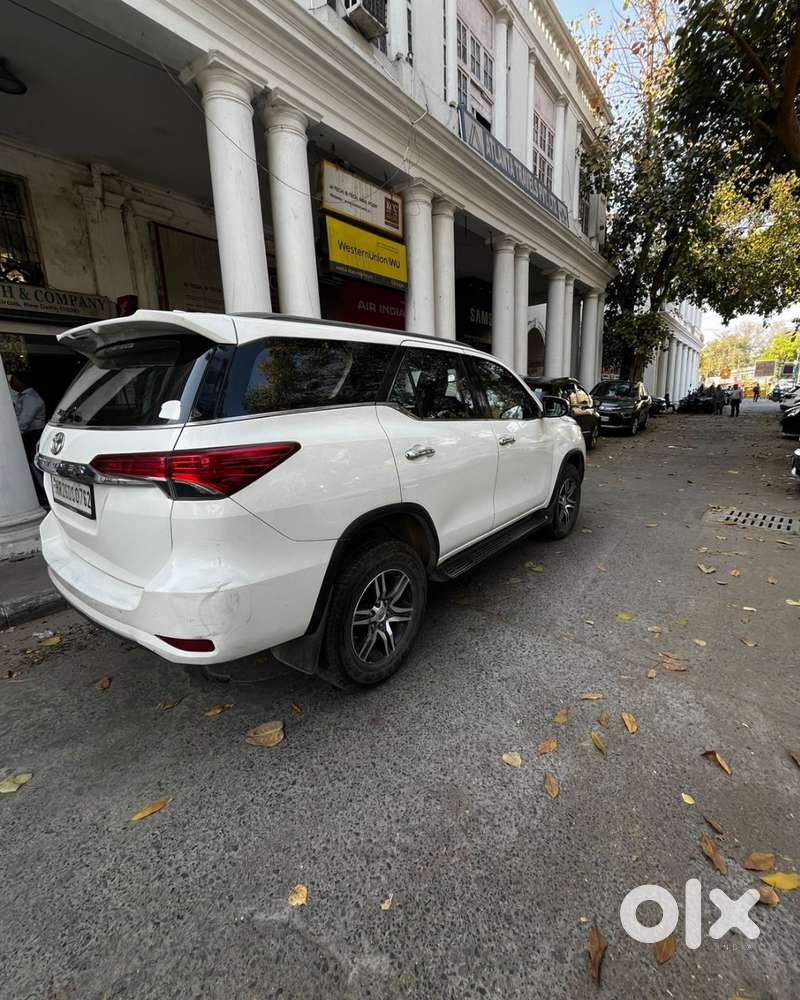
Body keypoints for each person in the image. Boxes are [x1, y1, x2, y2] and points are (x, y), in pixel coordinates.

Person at [10, 371, 48, 507]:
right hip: (29, 434)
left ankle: (44, 493)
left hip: (33, 435)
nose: (11, 382)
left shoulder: (31, 398)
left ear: (21, 381)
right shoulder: (22, 397)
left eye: (14, 379)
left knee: (35, 465)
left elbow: (24, 421)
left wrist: (14, 436)